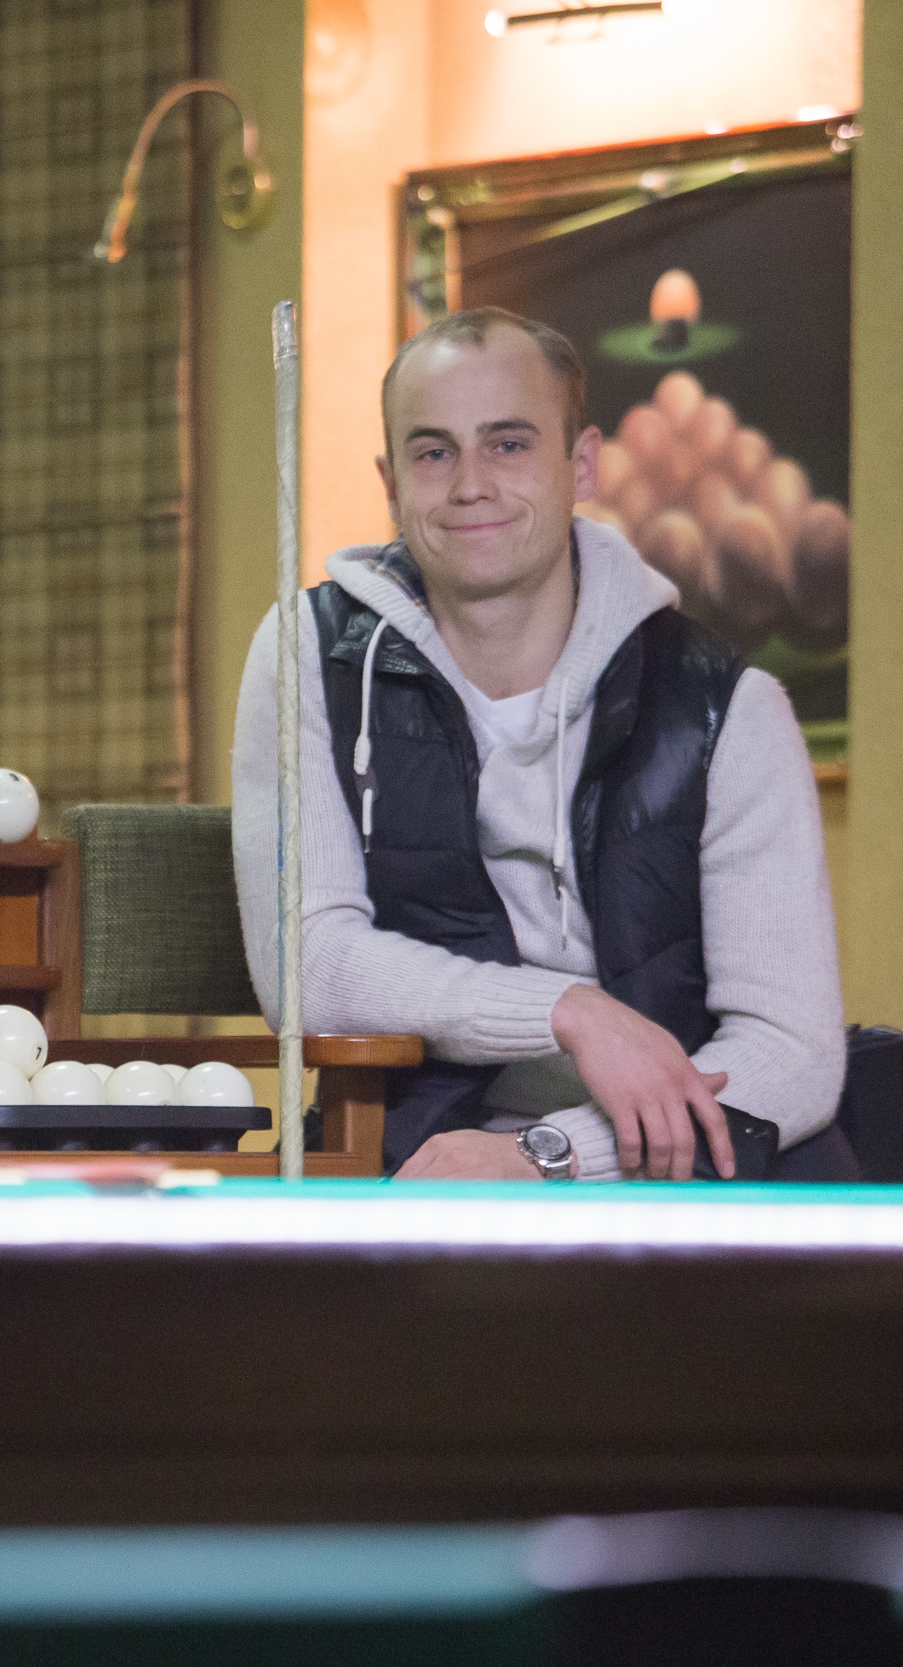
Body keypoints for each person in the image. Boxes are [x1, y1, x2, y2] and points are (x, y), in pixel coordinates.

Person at [232, 307, 844, 1182]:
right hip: (410, 1163)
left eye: (509, 444)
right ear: (391, 483)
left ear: (580, 463)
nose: (470, 485)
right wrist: (569, 1009)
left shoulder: (728, 709)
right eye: (433, 452)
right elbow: (308, 967)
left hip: (660, 1191)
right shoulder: (308, 657)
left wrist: (548, 1155)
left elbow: (791, 1051)